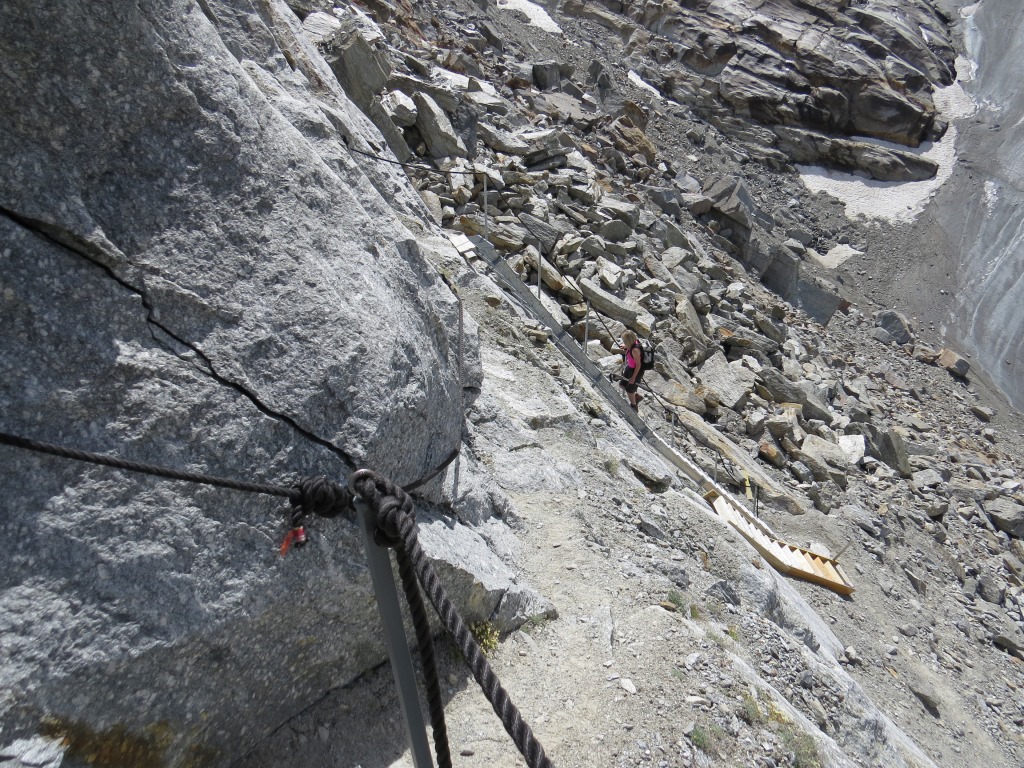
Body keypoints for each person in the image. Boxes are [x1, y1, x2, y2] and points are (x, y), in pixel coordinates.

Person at [614, 330, 645, 411]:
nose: (623, 342)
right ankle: (636, 396)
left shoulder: (635, 350)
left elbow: (638, 365)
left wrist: (633, 377)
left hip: (636, 371)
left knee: (630, 390)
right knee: (622, 385)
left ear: (628, 341)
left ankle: (634, 405)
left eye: (624, 341)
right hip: (630, 367)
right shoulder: (633, 344)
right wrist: (626, 347)